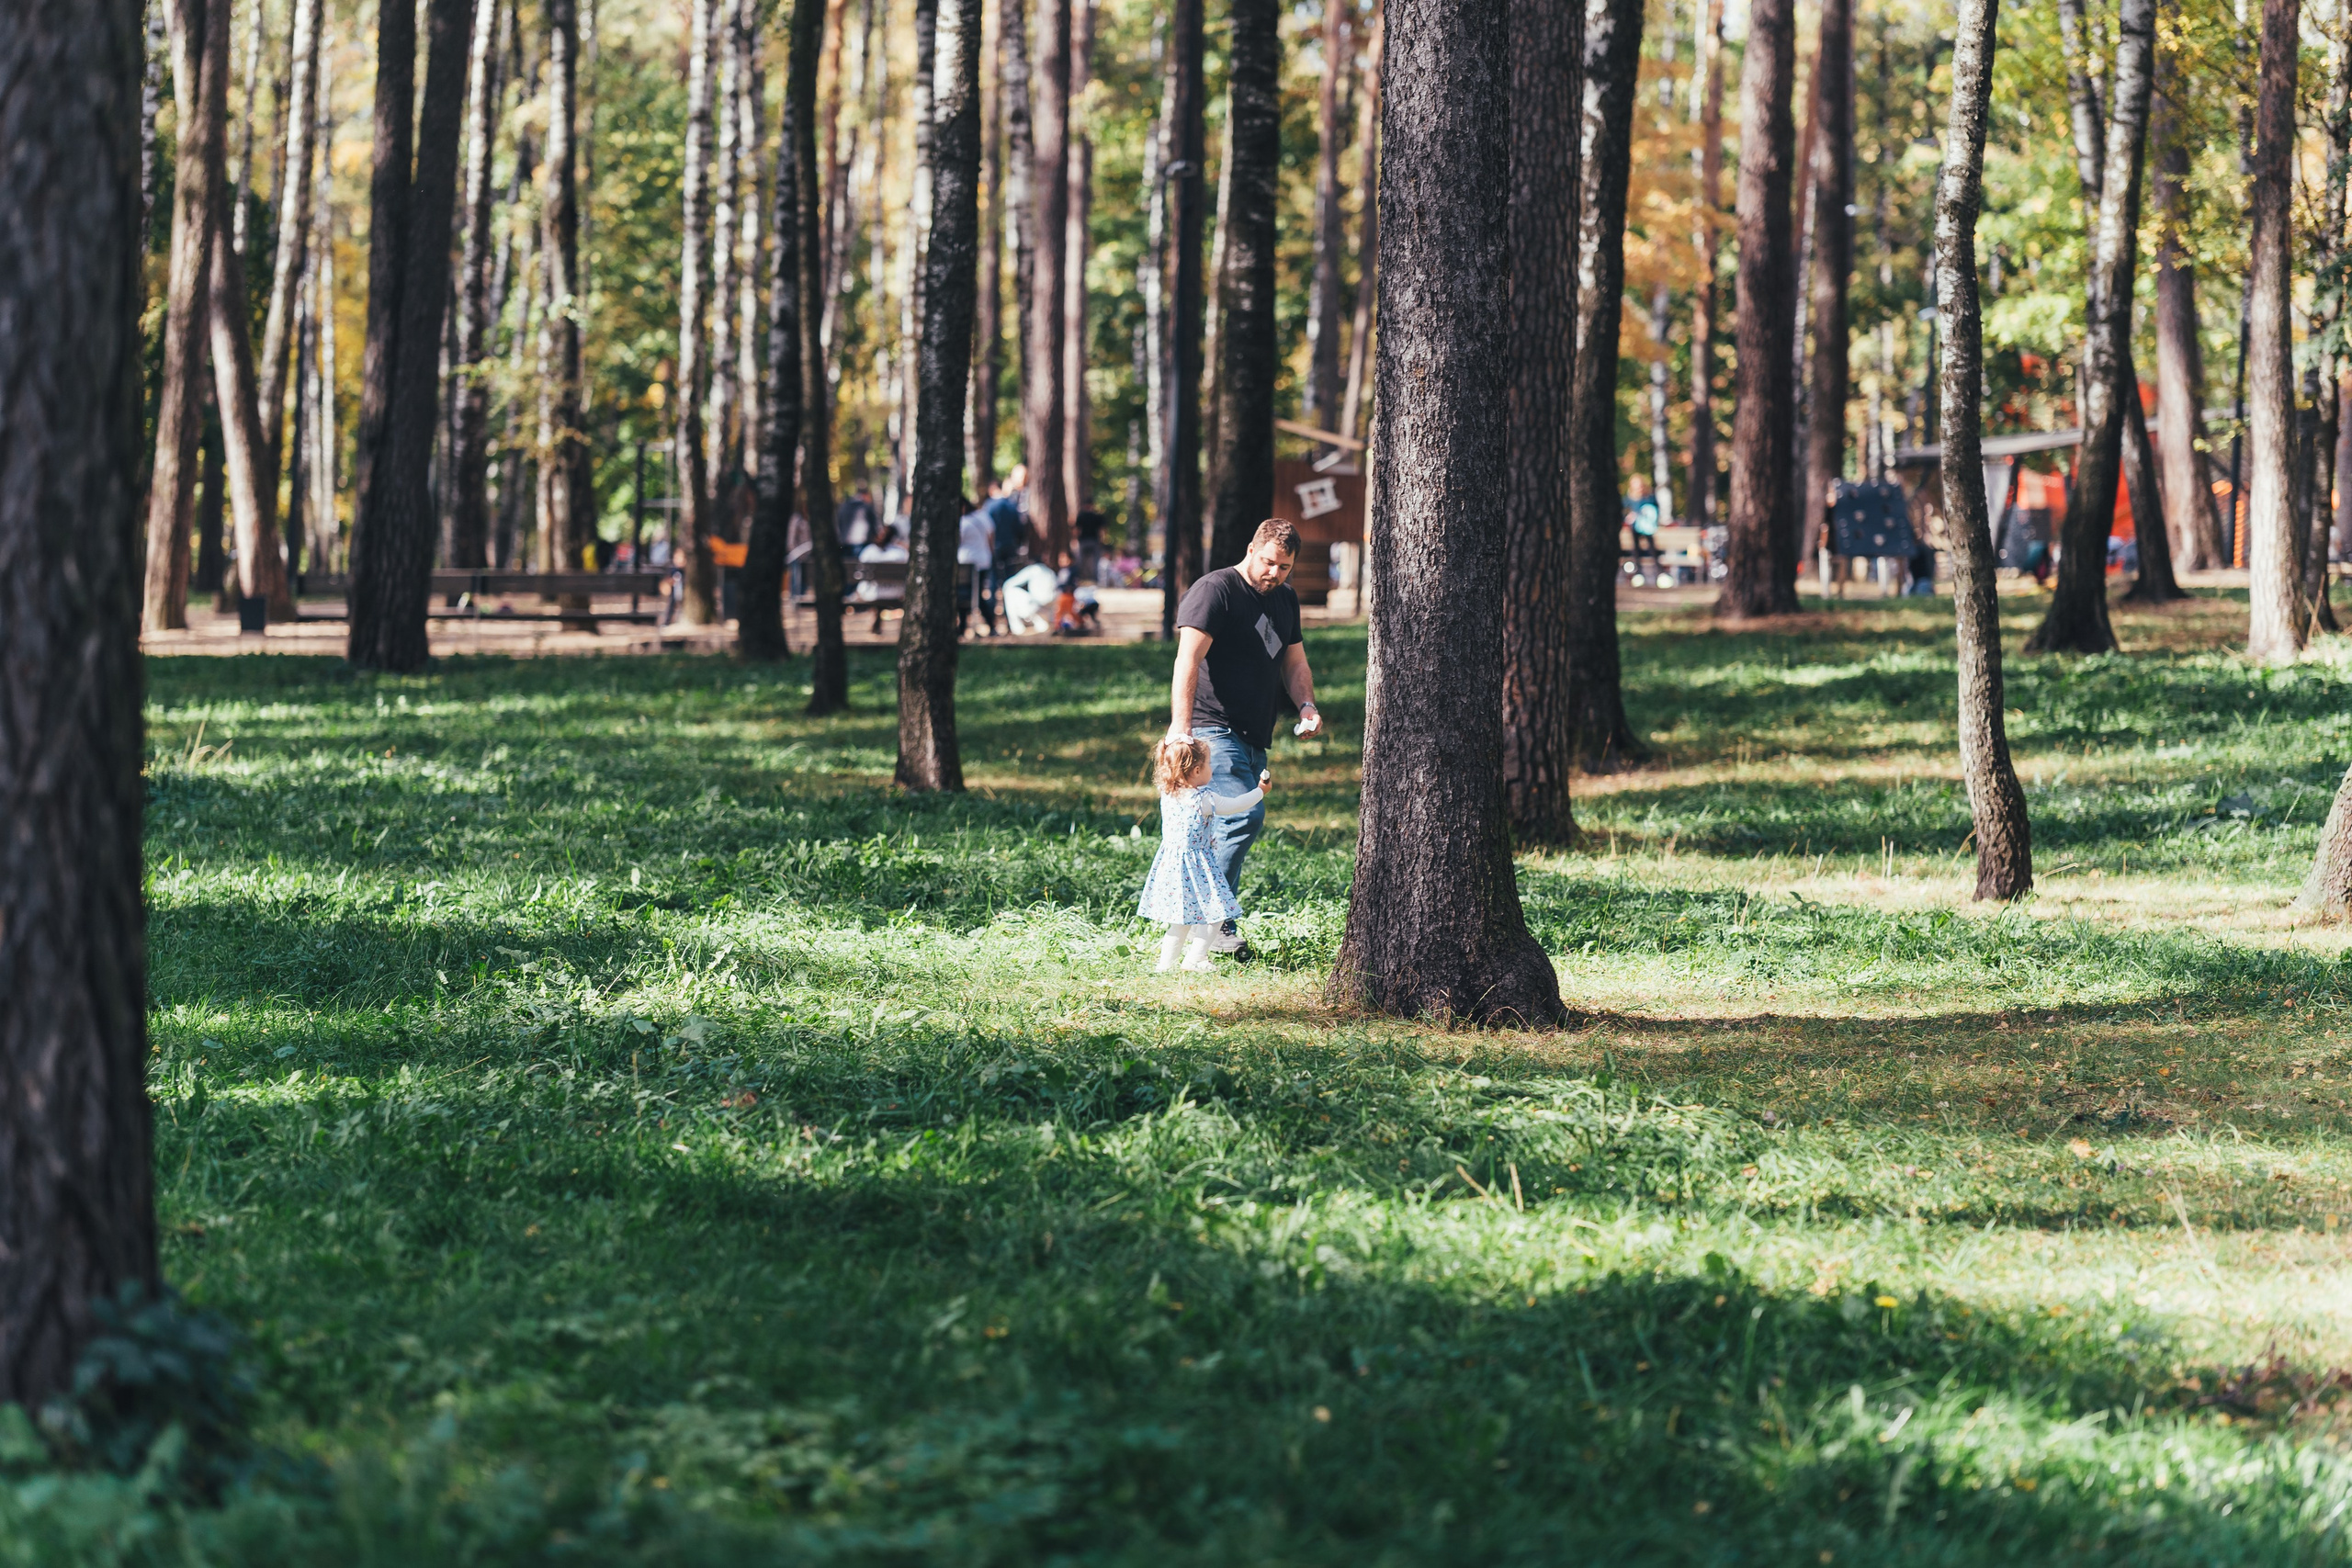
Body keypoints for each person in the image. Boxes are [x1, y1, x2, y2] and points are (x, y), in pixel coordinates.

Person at [1169, 517, 1323, 962]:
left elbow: (1294, 663)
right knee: (1240, 820)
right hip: (1213, 727)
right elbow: (1187, 659)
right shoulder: (1215, 590)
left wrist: (1307, 706)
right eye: (1270, 562)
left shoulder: (1285, 600)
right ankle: (1213, 923)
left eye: (1285, 567)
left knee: (1222, 825)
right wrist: (1182, 727)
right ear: (1252, 548)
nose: (1275, 573)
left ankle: (1205, 920)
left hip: (1256, 735)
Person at [1139, 734, 1270, 973]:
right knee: (1217, 913)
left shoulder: (1168, 793)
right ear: (1197, 770)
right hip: (1198, 866)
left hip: (1171, 864)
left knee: (1179, 921)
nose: (1211, 769)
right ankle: (1195, 959)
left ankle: (1164, 965)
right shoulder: (1205, 800)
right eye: (1209, 764)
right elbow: (1237, 805)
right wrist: (1260, 791)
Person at [957, 496, 998, 636]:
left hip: (966, 562)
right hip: (984, 560)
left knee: (965, 595)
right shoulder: (983, 517)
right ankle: (989, 625)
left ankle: (963, 627)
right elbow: (991, 536)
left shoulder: (963, 523)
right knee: (976, 594)